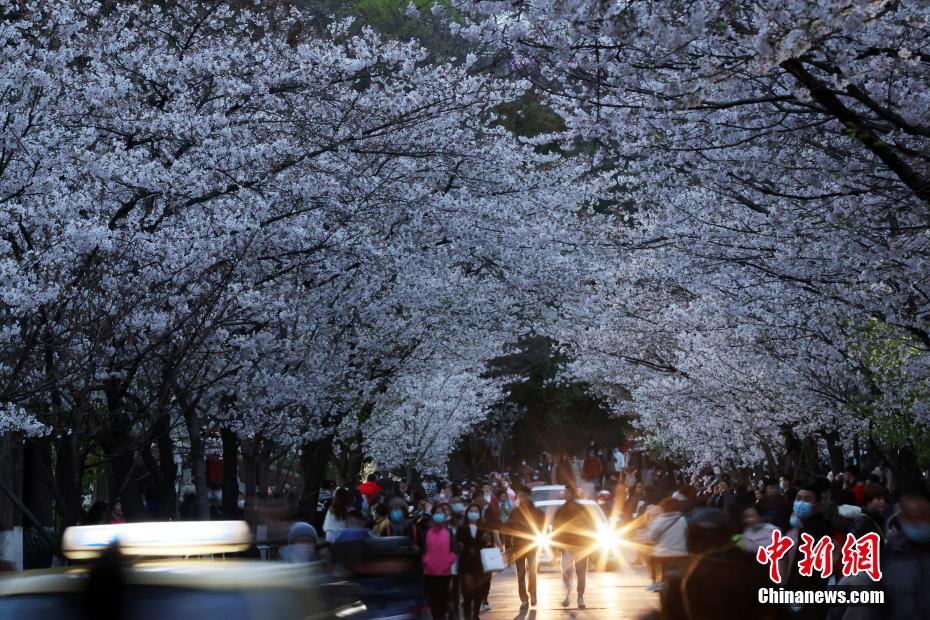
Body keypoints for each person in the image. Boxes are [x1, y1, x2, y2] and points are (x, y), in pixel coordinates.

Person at [553, 484, 596, 608]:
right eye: (565, 493)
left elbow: (591, 526)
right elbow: (555, 529)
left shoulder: (582, 509)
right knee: (566, 572)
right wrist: (555, 546)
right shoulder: (560, 511)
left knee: (581, 573)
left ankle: (580, 596)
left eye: (568, 493)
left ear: (573, 494)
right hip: (565, 546)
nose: (566, 495)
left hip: (581, 546)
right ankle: (566, 594)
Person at [505, 486, 545, 608]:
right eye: (520, 496)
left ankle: (533, 592)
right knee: (521, 574)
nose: (522, 498)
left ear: (529, 496)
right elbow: (508, 530)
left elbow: (543, 529)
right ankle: (524, 599)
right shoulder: (514, 512)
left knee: (532, 571)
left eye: (524, 496)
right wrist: (508, 547)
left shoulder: (537, 511)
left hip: (532, 546)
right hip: (518, 547)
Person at [456, 503, 494, 620]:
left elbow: (487, 545)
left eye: (476, 511)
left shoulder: (483, 528)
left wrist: (486, 541)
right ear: (467, 513)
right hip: (466, 564)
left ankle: (475, 615)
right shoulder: (462, 528)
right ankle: (467, 615)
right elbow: (459, 544)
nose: (473, 513)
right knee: (467, 591)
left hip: (480, 564)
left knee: (478, 591)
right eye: (471, 511)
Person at [646, 496, 688, 592]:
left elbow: (651, 537)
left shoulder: (659, 521)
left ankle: (656, 583)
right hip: (681, 554)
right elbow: (687, 534)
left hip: (662, 556)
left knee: (653, 561)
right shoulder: (683, 520)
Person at [422, 505, 456, 620]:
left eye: (441, 513)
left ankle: (443, 614)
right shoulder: (427, 532)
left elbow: (453, 549)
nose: (439, 515)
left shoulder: (448, 532)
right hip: (430, 572)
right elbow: (423, 549)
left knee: (444, 598)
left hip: (445, 572)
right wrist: (426, 560)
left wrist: (449, 560)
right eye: (437, 513)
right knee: (434, 599)